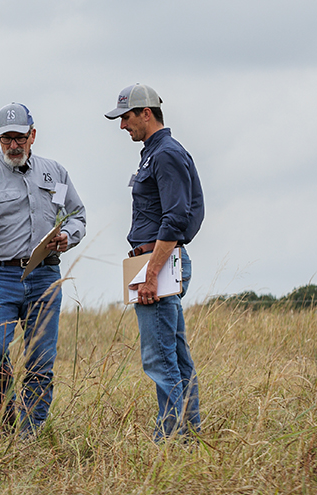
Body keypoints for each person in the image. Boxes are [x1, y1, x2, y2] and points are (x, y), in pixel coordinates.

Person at [0, 102, 86, 437]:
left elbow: (75, 214)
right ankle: (6, 418)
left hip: (45, 275)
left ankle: (30, 435)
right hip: (1, 277)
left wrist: (66, 235)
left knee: (40, 361)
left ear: (33, 135)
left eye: (20, 138)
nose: (14, 145)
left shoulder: (55, 174)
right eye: (7, 139)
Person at [105, 83, 204, 440]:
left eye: (126, 117)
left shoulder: (165, 154)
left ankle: (172, 440)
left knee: (160, 359)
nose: (122, 126)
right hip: (156, 262)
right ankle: (187, 434)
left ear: (147, 113)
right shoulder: (154, 152)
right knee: (174, 355)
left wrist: (150, 274)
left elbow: (175, 219)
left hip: (158, 263)